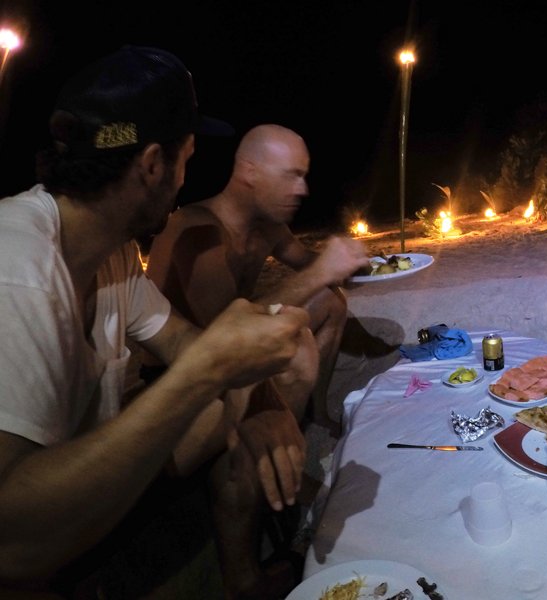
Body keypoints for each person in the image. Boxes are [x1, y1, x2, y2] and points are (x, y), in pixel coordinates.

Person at [0, 46, 313, 598]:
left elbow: (182, 341)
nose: (185, 177)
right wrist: (209, 372)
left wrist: (257, 396)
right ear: (151, 164)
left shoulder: (110, 248)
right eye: (185, 158)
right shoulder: (17, 266)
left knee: (236, 398)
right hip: (29, 541)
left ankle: (241, 581)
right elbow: (11, 542)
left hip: (81, 476)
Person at [144, 124, 370, 427]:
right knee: (298, 348)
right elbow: (221, 335)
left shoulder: (268, 225)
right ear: (250, 172)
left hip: (229, 341)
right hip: (181, 369)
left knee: (330, 301)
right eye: (292, 176)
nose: (303, 190)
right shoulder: (198, 230)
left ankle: (317, 412)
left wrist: (349, 264)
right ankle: (275, 440)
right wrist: (320, 271)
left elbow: (305, 261)